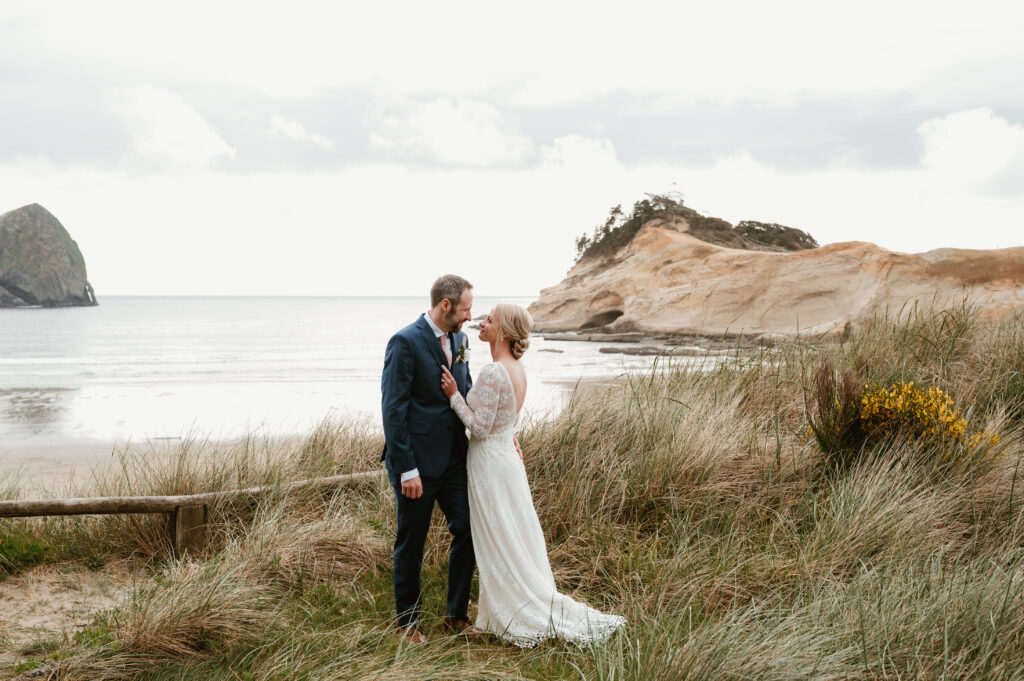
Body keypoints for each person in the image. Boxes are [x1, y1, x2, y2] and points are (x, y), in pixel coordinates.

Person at [440, 303, 626, 647]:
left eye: (490, 320)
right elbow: (503, 421)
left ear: (505, 333)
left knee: (497, 536)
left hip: (490, 464)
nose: (482, 322)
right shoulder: (518, 369)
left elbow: (480, 428)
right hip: (505, 459)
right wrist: (508, 435)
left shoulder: (495, 371)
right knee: (508, 533)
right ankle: (501, 606)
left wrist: (454, 397)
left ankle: (508, 611)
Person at [381, 274, 476, 643]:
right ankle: (407, 622)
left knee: (468, 529)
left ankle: (456, 614)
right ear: (446, 305)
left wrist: (501, 432)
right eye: (466, 309)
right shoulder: (405, 342)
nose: (470, 316)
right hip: (416, 465)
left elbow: (464, 392)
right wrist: (407, 469)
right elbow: (393, 410)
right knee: (412, 542)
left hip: (455, 459)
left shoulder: (462, 340)